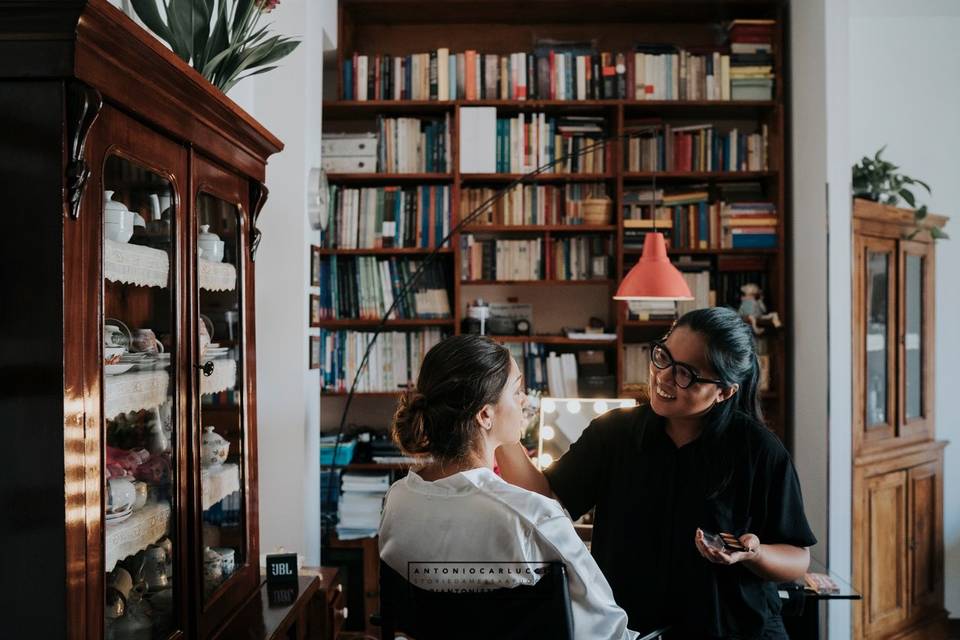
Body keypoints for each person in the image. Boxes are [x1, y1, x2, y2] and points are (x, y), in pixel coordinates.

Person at [496, 307, 816, 639]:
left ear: (724, 391)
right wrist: (499, 426)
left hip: (734, 629)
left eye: (686, 374)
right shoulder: (614, 434)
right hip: (632, 629)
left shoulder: (759, 451)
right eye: (663, 356)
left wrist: (754, 553)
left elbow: (797, 558)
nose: (663, 376)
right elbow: (545, 499)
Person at [379, 334, 639, 640]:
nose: (525, 400)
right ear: (485, 414)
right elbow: (608, 630)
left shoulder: (396, 502)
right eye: (517, 391)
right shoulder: (533, 518)